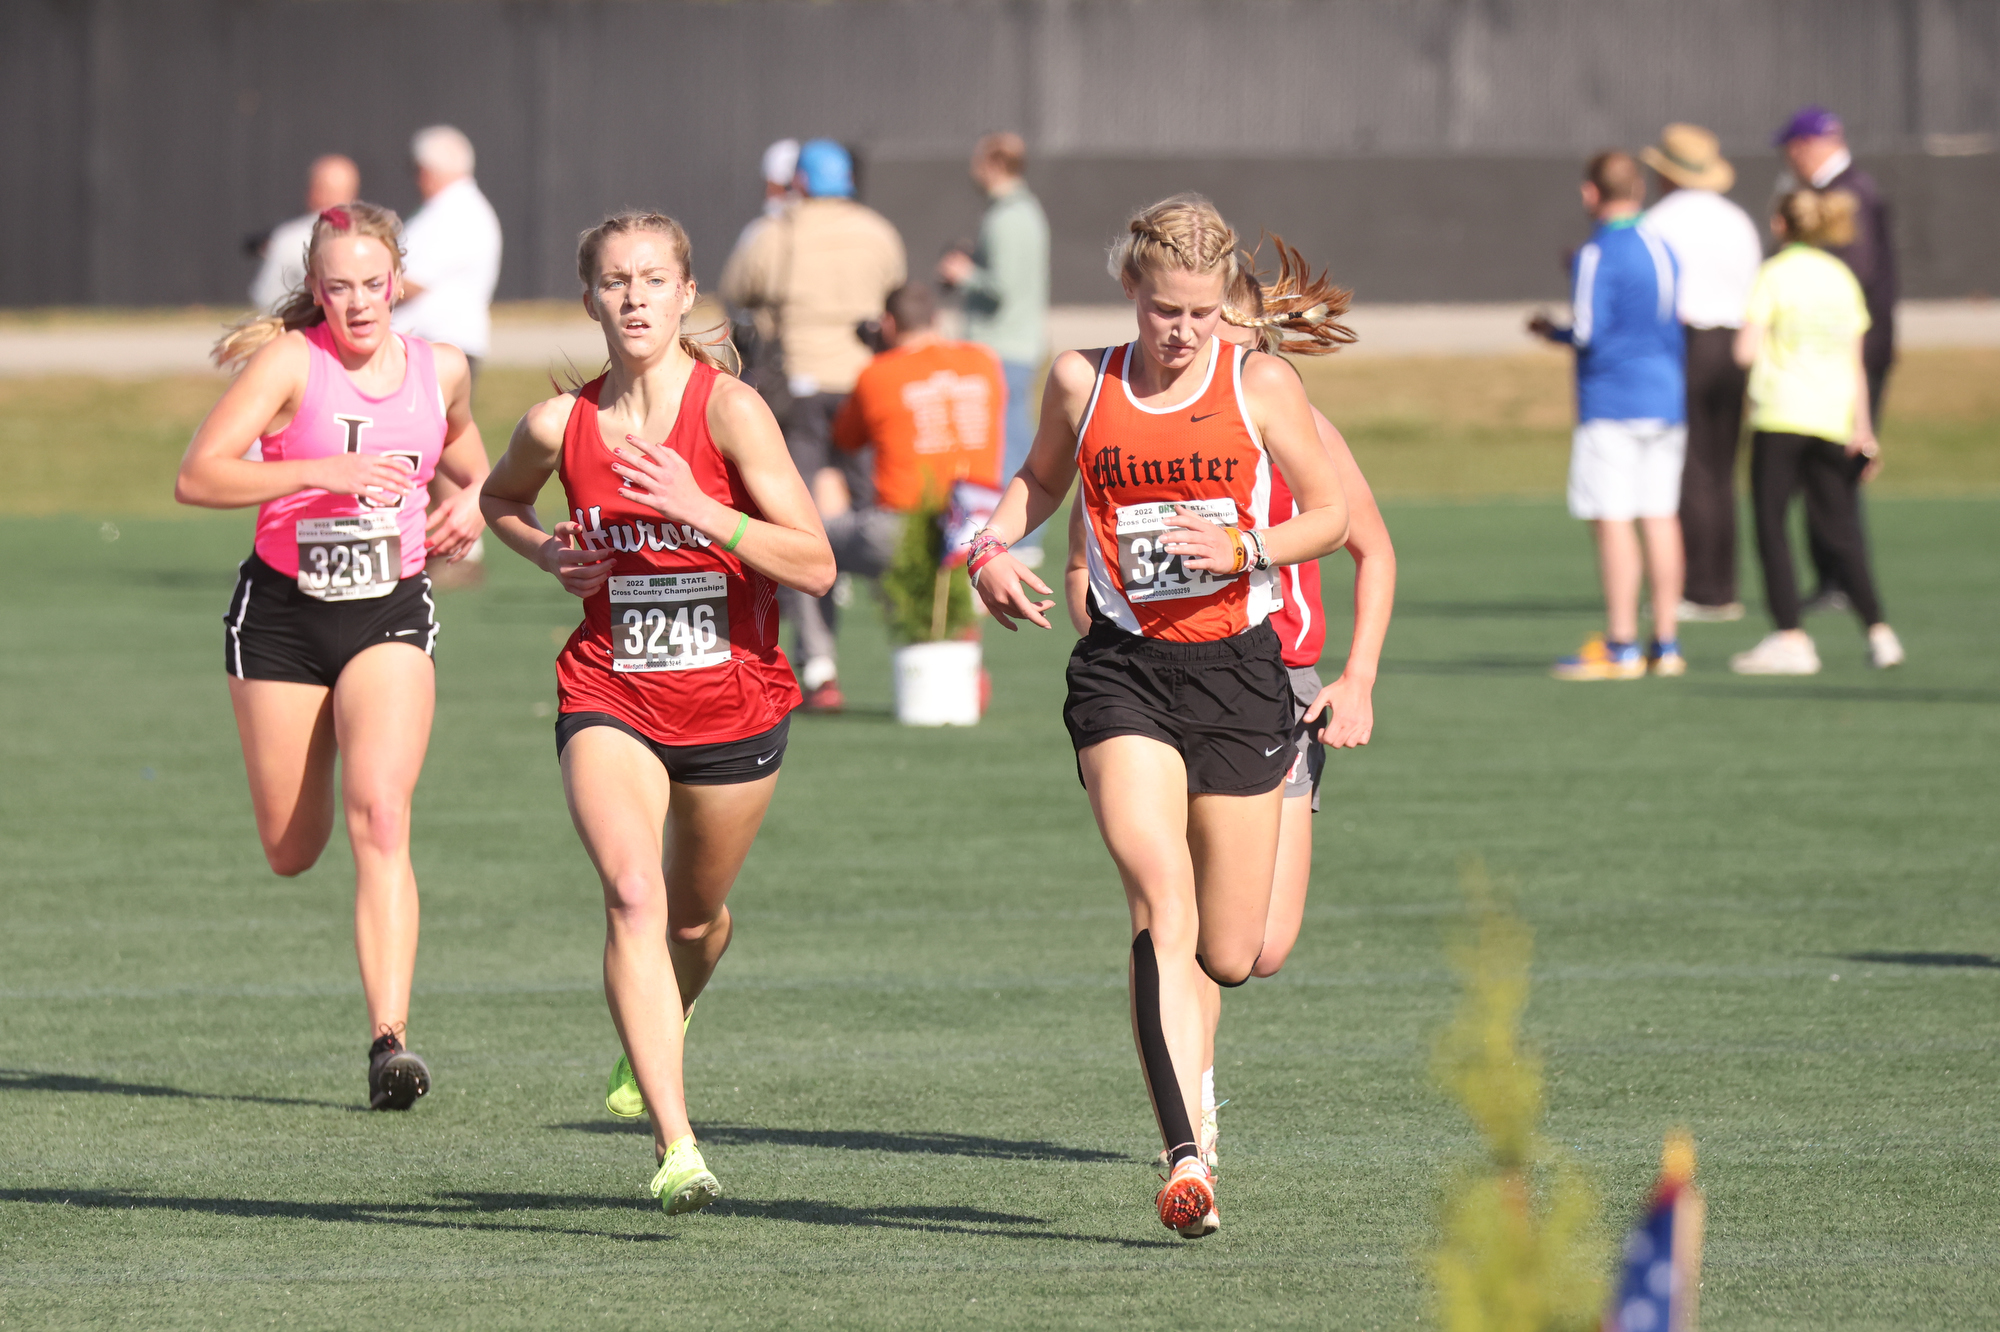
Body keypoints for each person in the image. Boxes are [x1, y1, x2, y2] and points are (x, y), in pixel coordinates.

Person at [971, 194, 1350, 1237]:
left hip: (1236, 674)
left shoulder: (1259, 382)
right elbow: (1037, 482)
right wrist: (988, 548)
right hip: (1121, 673)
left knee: (1227, 952)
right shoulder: (1078, 380)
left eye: (1198, 311)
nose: (1179, 332)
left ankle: (1194, 1096)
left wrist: (1243, 550)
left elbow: (1331, 517)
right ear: (1128, 291)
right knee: (1156, 898)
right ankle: (1185, 1152)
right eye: (1161, 311)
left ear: (1222, 302)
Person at [479, 211, 835, 1215]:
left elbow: (813, 561)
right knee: (632, 895)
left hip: (734, 705)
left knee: (693, 916)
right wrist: (545, 549)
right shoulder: (561, 425)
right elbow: (497, 504)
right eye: (614, 281)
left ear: (685, 297)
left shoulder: (730, 415)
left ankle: (663, 1018)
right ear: (589, 297)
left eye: (652, 280)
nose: (634, 297)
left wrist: (701, 507)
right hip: (608, 692)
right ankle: (677, 1145)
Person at [1062, 240, 1395, 1171]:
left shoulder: (1288, 418)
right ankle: (1189, 1122)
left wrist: (1357, 678)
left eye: (1223, 327)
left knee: (1250, 948)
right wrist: (1078, 568)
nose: (1203, 347)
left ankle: (1194, 1050)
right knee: (1167, 909)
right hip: (1152, 678)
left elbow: (1373, 550)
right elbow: (1095, 510)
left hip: (1276, 686)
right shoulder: (1148, 411)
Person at [175, 203, 490, 1110]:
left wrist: (470, 504)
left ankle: (389, 1042)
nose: (358, 303)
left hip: (389, 608)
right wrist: (316, 473)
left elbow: (474, 464)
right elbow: (199, 475)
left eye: (373, 283)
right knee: (292, 848)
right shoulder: (290, 364)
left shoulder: (442, 368)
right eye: (338, 286)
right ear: (317, 290)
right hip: (280, 617)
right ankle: (307, 780)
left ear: (399, 279)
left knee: (381, 813)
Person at [720, 139, 906, 709]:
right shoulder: (880, 231)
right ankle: (917, 637)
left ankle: (820, 662)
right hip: (865, 389)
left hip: (796, 390)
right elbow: (892, 297)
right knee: (880, 519)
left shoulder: (775, 232)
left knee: (798, 527)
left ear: (799, 181)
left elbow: (735, 293)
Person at [1729, 189, 1904, 675]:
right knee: (1840, 530)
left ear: (1782, 226)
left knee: (1771, 526)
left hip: (1781, 415)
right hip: (1832, 418)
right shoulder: (1841, 278)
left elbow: (1745, 351)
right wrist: (1864, 429)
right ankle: (1880, 632)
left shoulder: (1775, 274)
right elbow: (1856, 364)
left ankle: (1791, 638)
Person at [1529, 151, 1687, 681]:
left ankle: (1621, 642)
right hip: (1667, 398)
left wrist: (1549, 331)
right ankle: (1666, 642)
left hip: (1614, 402)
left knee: (1615, 518)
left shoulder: (1599, 251)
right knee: (1660, 515)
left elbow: (1588, 331)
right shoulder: (1663, 245)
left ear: (1592, 192)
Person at [806, 281, 1002, 683]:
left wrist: (880, 356)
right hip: (980, 526)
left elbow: (846, 438)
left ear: (889, 323)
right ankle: (965, 661)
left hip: (901, 527)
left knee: (809, 549)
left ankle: (818, 668)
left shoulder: (878, 373)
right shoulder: (984, 361)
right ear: (935, 318)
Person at [1774, 107, 1898, 617]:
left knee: (1836, 466)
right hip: (1843, 348)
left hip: (1848, 350)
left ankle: (1843, 578)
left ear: (1806, 145)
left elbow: (1857, 274)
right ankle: (1834, 576)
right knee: (1824, 466)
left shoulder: (1850, 193)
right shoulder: (1852, 188)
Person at [1639, 124, 1763, 622]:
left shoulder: (1658, 222)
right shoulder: (1737, 221)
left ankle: (1698, 588)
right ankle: (1723, 585)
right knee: (1721, 465)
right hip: (1735, 342)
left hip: (1687, 342)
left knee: (1689, 466)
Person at [394, 125, 503, 590]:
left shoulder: (455, 213)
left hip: (442, 346)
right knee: (433, 447)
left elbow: (412, 279)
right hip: (435, 343)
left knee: (441, 446)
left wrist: (350, 291)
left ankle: (461, 547)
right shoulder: (455, 210)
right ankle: (446, 544)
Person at [938, 132, 1050, 565]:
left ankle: (1017, 537)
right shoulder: (1021, 212)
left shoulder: (1009, 217)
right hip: (1015, 343)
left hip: (1003, 346)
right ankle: (1023, 537)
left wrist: (964, 271)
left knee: (1006, 442)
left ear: (994, 164)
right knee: (1015, 437)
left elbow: (1002, 286)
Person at [250, 155, 360, 313]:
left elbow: (266, 300)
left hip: (301, 330)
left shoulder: (290, 239)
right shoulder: (371, 238)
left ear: (313, 192)